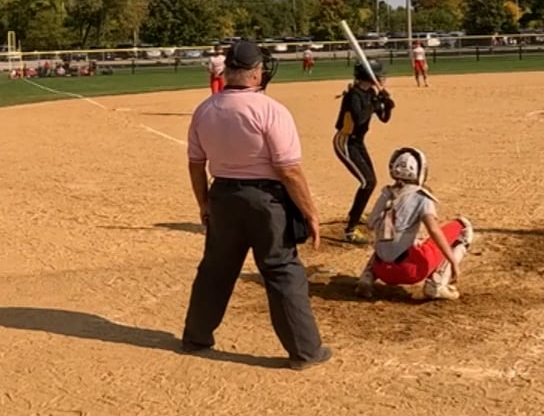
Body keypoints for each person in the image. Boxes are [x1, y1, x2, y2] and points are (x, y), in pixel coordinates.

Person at [182, 40, 330, 369]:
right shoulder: (271, 110)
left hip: (223, 195)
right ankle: (305, 351)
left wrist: (203, 202)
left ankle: (196, 337)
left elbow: (196, 163)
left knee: (215, 269)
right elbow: (288, 170)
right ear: (255, 72)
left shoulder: (205, 109)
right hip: (266, 200)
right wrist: (310, 213)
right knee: (281, 269)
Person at [354, 147, 476, 302]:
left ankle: (367, 277)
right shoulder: (421, 196)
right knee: (463, 226)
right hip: (411, 271)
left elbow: (371, 224)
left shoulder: (386, 193)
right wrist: (453, 261)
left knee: (386, 236)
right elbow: (434, 231)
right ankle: (437, 283)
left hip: (382, 271)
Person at [334, 62, 394, 243]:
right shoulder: (353, 95)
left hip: (358, 143)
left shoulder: (369, 93)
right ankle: (350, 231)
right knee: (367, 182)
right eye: (379, 75)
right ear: (369, 77)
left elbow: (384, 118)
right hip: (345, 142)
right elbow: (360, 118)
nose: (382, 78)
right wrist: (375, 103)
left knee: (370, 181)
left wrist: (387, 105)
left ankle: (354, 214)